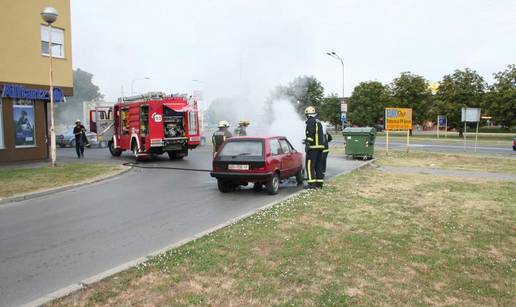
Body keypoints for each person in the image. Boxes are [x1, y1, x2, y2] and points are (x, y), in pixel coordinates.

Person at [303, 106, 325, 189]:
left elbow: (311, 134)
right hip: (320, 147)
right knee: (318, 165)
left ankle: (311, 184)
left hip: (313, 147)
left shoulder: (310, 121)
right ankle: (319, 184)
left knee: (309, 165)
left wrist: (307, 144)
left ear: (307, 114)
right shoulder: (318, 121)